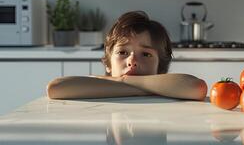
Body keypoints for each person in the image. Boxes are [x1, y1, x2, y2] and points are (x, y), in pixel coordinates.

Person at [46, 11, 207, 101]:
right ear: (108, 63)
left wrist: (124, 79)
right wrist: (148, 88)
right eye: (122, 52)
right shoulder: (167, 88)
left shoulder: (98, 85)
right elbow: (55, 88)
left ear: (161, 67)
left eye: (145, 54)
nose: (132, 61)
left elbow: (196, 88)